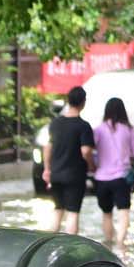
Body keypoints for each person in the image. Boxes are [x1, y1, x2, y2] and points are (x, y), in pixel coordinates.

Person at [43, 85, 94, 234]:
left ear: (68, 101)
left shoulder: (56, 123)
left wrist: (47, 169)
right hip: (75, 175)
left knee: (58, 210)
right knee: (73, 212)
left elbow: (48, 147)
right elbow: (85, 151)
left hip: (56, 174)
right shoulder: (83, 126)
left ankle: (49, 243)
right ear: (83, 103)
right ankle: (70, 247)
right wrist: (91, 165)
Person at [91, 97, 134, 251]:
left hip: (101, 178)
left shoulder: (98, 129)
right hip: (121, 177)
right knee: (123, 212)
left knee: (107, 214)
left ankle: (108, 244)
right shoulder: (129, 130)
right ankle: (121, 244)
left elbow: (92, 149)